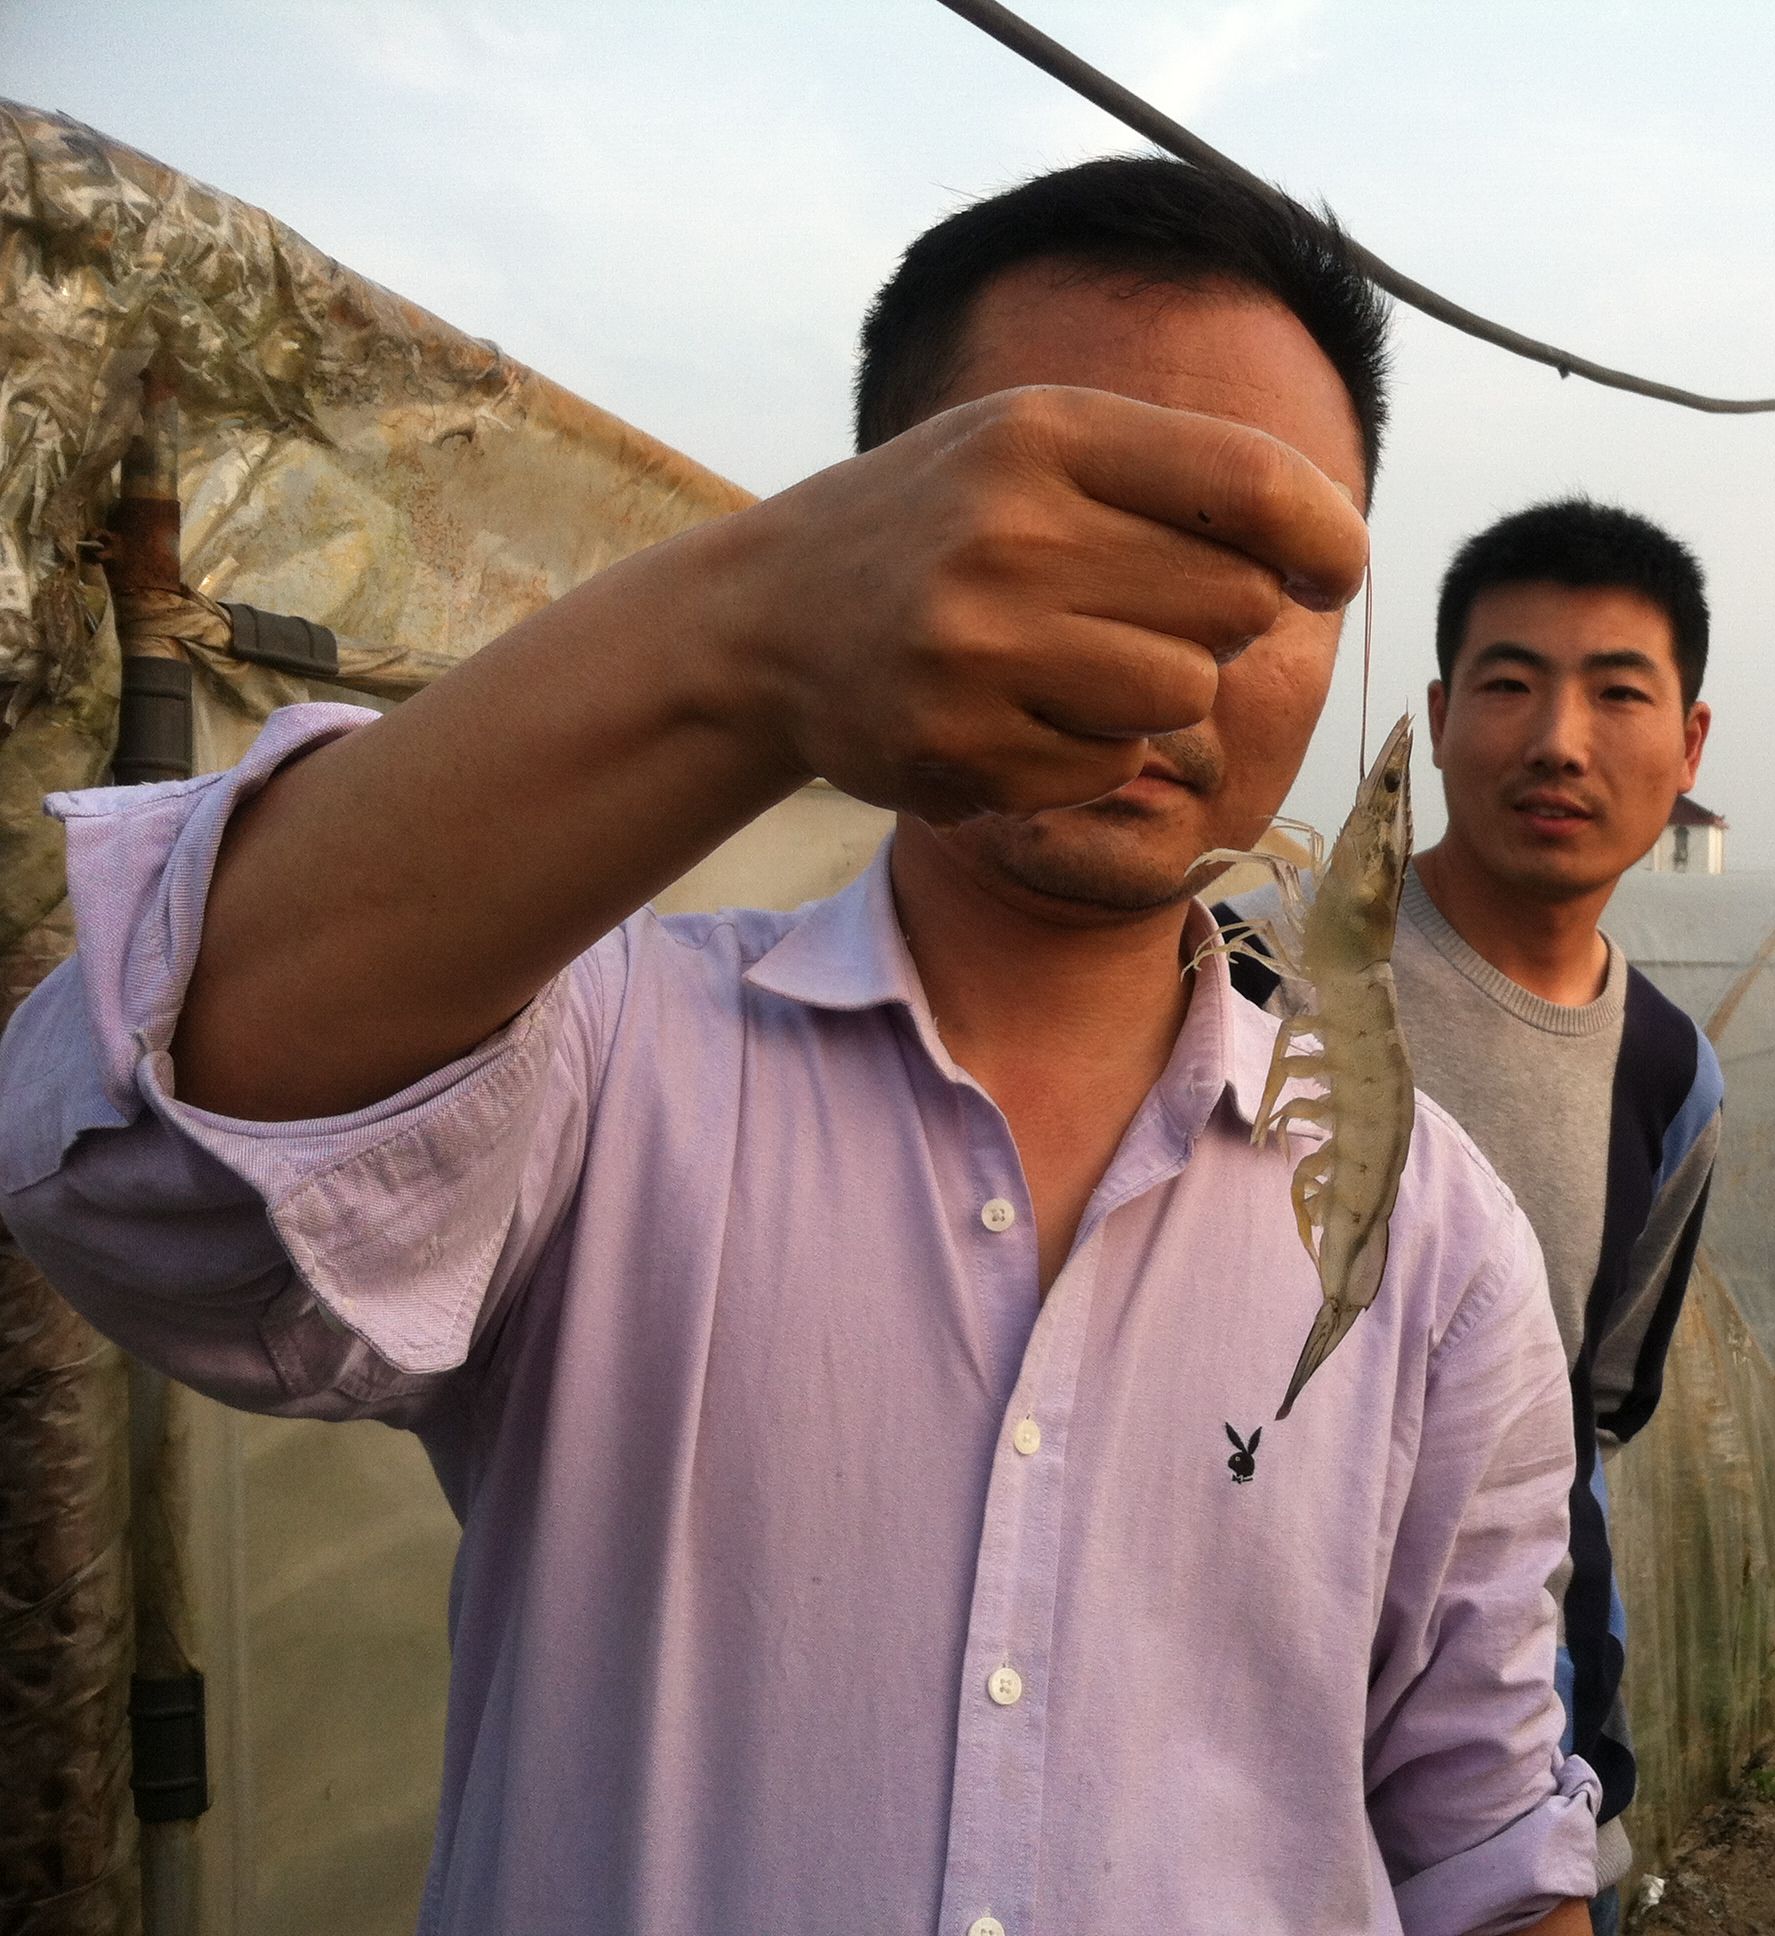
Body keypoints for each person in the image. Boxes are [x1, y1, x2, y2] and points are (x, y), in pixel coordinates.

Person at [0, 160, 1603, 1935]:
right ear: (874, 539)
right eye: (1080, 526)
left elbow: (1487, 1843)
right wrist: (747, 639)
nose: (1171, 643)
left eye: (1269, 571)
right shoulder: (593, 1052)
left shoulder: (1445, 1249)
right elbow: (142, 1165)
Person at [1227, 499, 1722, 1935]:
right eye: (1510, 683)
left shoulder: (1670, 1074)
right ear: (1438, 722)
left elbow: (1589, 1423)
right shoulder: (1238, 966)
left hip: (1518, 1794)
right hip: (1224, 1757)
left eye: (1617, 692)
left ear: (1690, 743)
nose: (1559, 740)